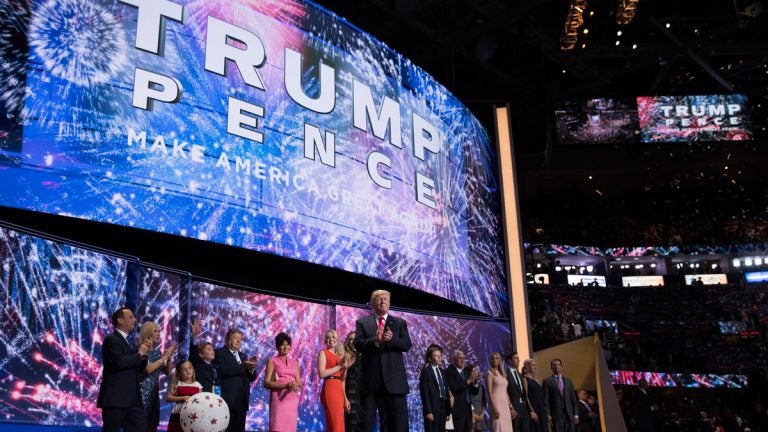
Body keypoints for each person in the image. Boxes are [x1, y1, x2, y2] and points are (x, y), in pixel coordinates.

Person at [354, 289, 412, 432]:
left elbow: (406, 344)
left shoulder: (399, 323)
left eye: (385, 298)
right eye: (379, 298)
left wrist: (392, 340)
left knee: (396, 424)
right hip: (370, 381)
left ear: (390, 303)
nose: (383, 300)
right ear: (373, 303)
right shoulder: (362, 322)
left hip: (394, 382)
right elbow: (358, 343)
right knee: (366, 424)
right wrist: (376, 341)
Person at [98, 307, 151, 432]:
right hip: (116, 399)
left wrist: (143, 356)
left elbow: (138, 368)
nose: (135, 320)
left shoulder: (131, 342)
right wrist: (139, 354)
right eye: (131, 317)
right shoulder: (111, 339)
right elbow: (118, 363)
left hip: (133, 399)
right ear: (120, 320)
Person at [214, 327, 258, 432]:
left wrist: (251, 369)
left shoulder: (243, 356)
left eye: (240, 339)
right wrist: (244, 366)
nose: (239, 341)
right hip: (228, 400)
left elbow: (251, 378)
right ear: (228, 340)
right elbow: (224, 371)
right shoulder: (220, 352)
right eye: (235, 339)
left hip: (242, 401)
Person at [138, 321, 176, 432]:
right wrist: (164, 358)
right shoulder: (140, 350)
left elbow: (168, 371)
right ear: (148, 333)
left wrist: (169, 357)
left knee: (152, 426)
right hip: (141, 395)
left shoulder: (157, 353)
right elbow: (147, 370)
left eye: (159, 331)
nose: (159, 333)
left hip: (153, 395)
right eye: (155, 331)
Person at [264, 332, 301, 432]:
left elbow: (299, 383)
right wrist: (285, 385)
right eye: (282, 344)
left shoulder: (295, 363)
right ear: (277, 347)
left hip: (292, 399)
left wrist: (296, 386)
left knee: (290, 428)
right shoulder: (272, 360)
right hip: (279, 399)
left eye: (287, 344)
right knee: (277, 427)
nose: (285, 347)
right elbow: (266, 383)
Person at [318, 329, 355, 432]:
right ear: (325, 340)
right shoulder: (323, 353)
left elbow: (342, 379)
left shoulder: (339, 357)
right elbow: (322, 373)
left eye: (333, 337)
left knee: (336, 424)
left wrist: (346, 368)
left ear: (337, 339)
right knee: (335, 424)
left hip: (338, 389)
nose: (331, 339)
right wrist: (339, 366)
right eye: (328, 337)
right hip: (330, 389)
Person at [419, 344, 451, 432]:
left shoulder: (442, 372)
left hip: (443, 406)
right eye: (436, 356)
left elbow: (445, 390)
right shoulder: (426, 372)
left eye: (440, 356)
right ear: (429, 358)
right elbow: (424, 393)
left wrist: (448, 411)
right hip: (433, 408)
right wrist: (428, 411)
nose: (439, 358)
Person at [542, 358, 578, 432]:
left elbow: (573, 399)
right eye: (554, 365)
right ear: (551, 367)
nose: (556, 366)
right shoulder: (547, 381)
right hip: (556, 416)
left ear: (561, 367)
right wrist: (548, 414)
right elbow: (545, 400)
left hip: (569, 415)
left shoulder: (568, 381)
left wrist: (576, 414)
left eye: (558, 365)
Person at [166, 360, 202, 432]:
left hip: (192, 414)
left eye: (189, 368)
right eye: (184, 369)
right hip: (178, 413)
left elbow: (201, 400)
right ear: (179, 373)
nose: (188, 370)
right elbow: (168, 398)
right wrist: (182, 398)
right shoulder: (177, 384)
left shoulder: (197, 385)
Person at [446, 350, 474, 432]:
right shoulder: (449, 371)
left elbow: (468, 391)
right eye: (460, 358)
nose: (463, 360)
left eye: (464, 358)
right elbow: (453, 388)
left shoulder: (464, 372)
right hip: (457, 411)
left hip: (467, 411)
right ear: (454, 359)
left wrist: (474, 383)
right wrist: (468, 381)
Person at [189, 319, 219, 393]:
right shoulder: (198, 364)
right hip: (202, 399)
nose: (212, 351)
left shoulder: (216, 367)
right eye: (209, 349)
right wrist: (194, 335)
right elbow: (193, 352)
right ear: (201, 354)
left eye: (212, 349)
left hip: (214, 399)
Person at [486, 352, 513, 432]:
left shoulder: (503, 374)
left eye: (496, 358)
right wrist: (494, 407)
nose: (494, 360)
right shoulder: (490, 373)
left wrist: (511, 407)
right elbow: (489, 391)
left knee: (507, 427)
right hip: (496, 403)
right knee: (498, 426)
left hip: (505, 404)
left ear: (499, 360)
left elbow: (505, 392)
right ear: (490, 361)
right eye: (492, 358)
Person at [343, 331, 364, 432]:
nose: (353, 341)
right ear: (348, 341)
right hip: (351, 393)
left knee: (362, 424)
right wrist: (345, 398)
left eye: (355, 339)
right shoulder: (346, 356)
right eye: (350, 339)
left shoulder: (364, 355)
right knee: (351, 423)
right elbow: (342, 380)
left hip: (363, 394)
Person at [506, 352, 530, 432]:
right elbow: (505, 393)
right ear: (509, 360)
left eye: (518, 358)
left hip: (524, 408)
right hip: (514, 408)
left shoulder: (520, 375)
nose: (518, 360)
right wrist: (511, 408)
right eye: (516, 358)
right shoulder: (505, 374)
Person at [523, 359, 545, 432]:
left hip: (541, 408)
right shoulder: (524, 379)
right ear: (527, 366)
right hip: (533, 408)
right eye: (533, 365)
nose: (535, 367)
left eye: (535, 365)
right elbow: (525, 396)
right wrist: (532, 411)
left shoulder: (535, 380)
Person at [466, 364, 488, 432]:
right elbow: (468, 402)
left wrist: (482, 414)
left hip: (480, 415)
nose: (476, 373)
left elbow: (484, 402)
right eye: (473, 371)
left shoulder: (481, 387)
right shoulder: (467, 387)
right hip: (471, 415)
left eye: (476, 371)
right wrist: (474, 415)